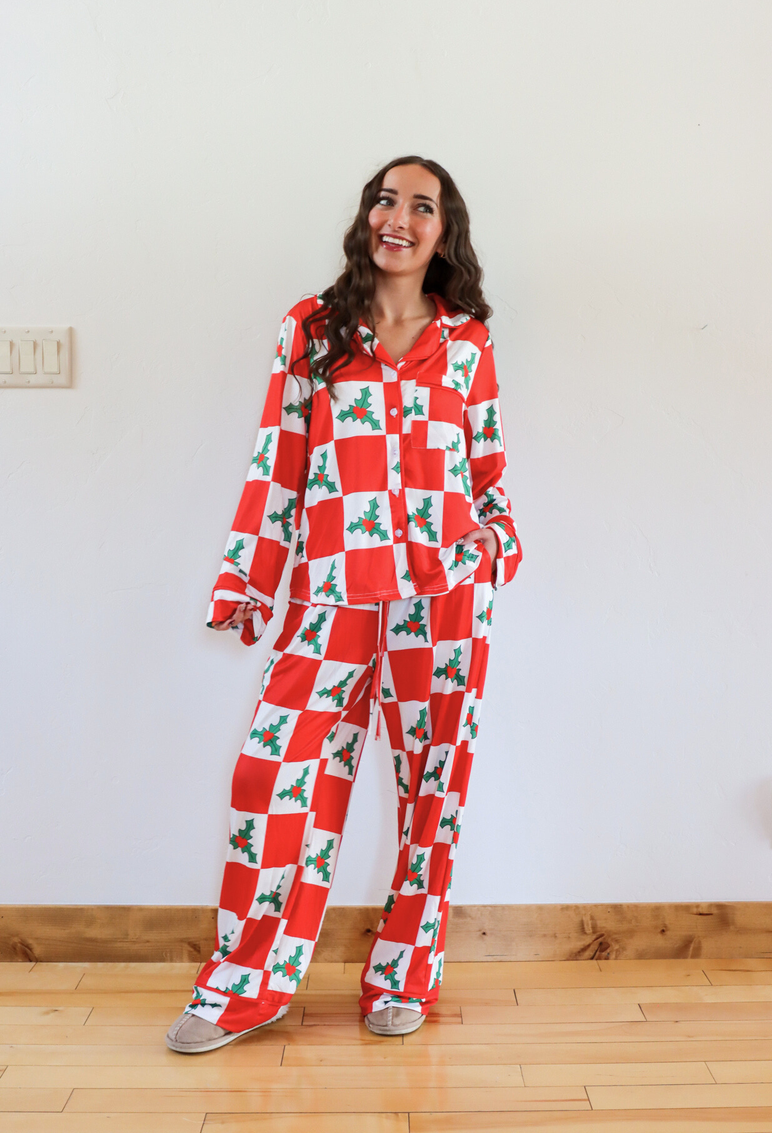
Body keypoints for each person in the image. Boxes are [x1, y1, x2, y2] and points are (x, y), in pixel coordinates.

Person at [166, 155, 521, 1053]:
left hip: (442, 605)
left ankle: (406, 971)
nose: (398, 216)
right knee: (271, 774)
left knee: (431, 794)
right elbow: (278, 463)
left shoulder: (467, 341)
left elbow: (489, 481)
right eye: (384, 199)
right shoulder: (314, 329)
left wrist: (490, 546)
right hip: (334, 595)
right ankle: (246, 983)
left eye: (422, 205)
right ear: (367, 217)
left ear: (447, 231)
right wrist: (247, 576)